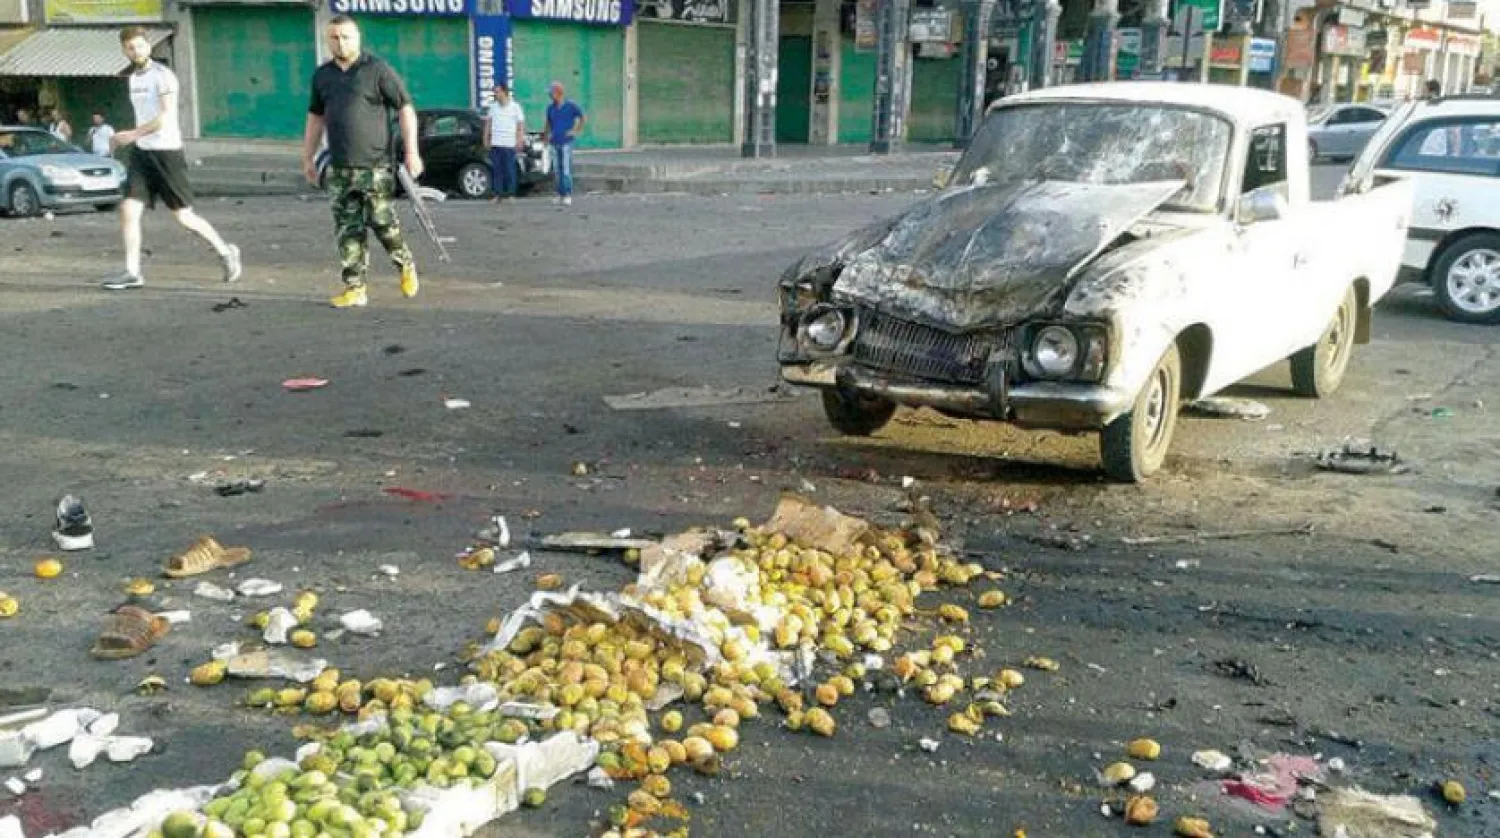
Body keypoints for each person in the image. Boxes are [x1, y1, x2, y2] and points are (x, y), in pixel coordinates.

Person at [103, 26, 241, 290]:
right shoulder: (133, 79)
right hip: (142, 153)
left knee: (184, 216)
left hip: (167, 153)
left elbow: (165, 117)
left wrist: (131, 134)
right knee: (128, 210)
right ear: (124, 50)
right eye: (130, 48)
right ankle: (132, 272)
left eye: (140, 46)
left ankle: (225, 252)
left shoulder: (163, 76)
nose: (136, 51)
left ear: (148, 46)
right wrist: (135, 138)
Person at [302, 15, 422, 309]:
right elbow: (315, 117)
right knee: (347, 228)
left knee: (382, 221)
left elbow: (405, 108)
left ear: (357, 38)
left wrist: (412, 151)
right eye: (334, 37)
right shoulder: (323, 76)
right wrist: (308, 157)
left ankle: (405, 263)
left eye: (346, 37)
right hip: (339, 167)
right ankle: (355, 288)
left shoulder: (376, 70)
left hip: (375, 165)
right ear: (327, 40)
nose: (340, 43)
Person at [483, 83, 525, 202]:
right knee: (496, 170)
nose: (496, 95)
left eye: (498, 92)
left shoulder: (515, 107)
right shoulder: (493, 107)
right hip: (496, 143)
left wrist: (519, 139)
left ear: (504, 92)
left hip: (509, 143)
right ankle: (497, 194)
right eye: (495, 92)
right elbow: (488, 124)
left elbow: (520, 125)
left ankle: (511, 194)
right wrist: (486, 138)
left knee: (509, 170)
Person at [544, 82, 584, 206]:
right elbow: (548, 123)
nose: (550, 95)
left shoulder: (570, 105)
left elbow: (582, 117)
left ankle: (567, 194)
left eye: (552, 93)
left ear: (558, 92)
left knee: (566, 169)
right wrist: (546, 136)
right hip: (554, 142)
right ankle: (559, 193)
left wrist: (575, 131)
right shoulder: (550, 108)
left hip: (566, 142)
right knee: (557, 169)